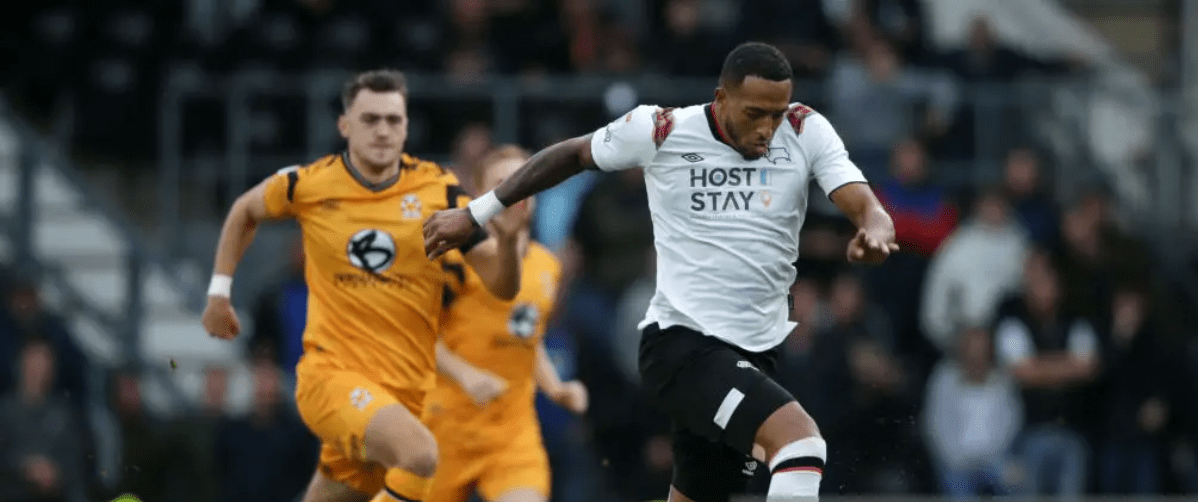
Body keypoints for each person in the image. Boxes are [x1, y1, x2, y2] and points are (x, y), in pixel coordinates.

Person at [424, 42, 898, 502]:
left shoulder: (805, 128)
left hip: (755, 352)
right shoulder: (662, 130)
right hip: (683, 349)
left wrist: (875, 229)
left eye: (776, 114)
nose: (767, 130)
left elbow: (862, 201)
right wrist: (475, 215)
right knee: (801, 445)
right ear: (721, 99)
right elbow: (569, 154)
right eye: (754, 114)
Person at [202, 69, 526, 502]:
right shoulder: (310, 183)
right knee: (422, 456)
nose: (382, 131)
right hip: (331, 381)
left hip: (401, 395)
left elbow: (501, 287)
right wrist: (219, 292)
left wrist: (506, 242)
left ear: (407, 126)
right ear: (345, 125)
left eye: (393, 120)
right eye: (370, 119)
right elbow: (245, 209)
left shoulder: (441, 191)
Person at [427, 145, 589, 502]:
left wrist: (555, 387)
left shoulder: (548, 265)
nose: (517, 192)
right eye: (503, 183)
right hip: (444, 429)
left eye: (524, 181)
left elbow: (528, 338)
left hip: (512, 436)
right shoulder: (456, 258)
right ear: (482, 196)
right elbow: (417, 335)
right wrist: (465, 374)